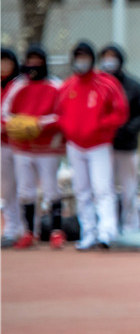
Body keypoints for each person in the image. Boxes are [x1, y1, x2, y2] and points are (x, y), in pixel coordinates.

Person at [55, 41, 128, 250]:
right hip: (75, 146)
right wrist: (69, 131)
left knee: (102, 189)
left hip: (99, 145)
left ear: (92, 59)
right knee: (81, 191)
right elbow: (59, 113)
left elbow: (120, 112)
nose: (82, 61)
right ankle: (88, 233)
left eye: (85, 57)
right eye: (78, 57)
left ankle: (107, 232)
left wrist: (100, 126)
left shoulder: (107, 83)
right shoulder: (67, 86)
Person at [1, 45, 67, 249]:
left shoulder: (56, 85)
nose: (34, 65)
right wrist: (17, 124)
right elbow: (4, 113)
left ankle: (56, 232)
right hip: (22, 148)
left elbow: (63, 114)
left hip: (47, 148)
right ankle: (29, 232)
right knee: (25, 191)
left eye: (38, 61)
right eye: (30, 61)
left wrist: (39, 124)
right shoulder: (18, 85)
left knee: (51, 189)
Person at [99, 44, 140, 235]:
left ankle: (131, 227)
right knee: (104, 189)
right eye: (105, 57)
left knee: (129, 188)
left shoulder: (133, 86)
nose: (109, 61)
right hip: (102, 147)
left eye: (113, 57)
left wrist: (128, 130)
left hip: (127, 146)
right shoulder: (98, 84)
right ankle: (107, 228)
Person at [1, 47, 21, 247]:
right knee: (7, 189)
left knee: (24, 188)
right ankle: (11, 229)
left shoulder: (19, 84)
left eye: (7, 61)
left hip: (21, 144)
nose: (3, 65)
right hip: (3, 146)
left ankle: (28, 229)